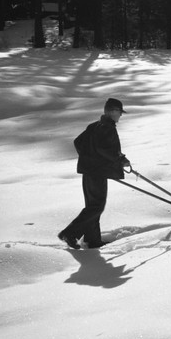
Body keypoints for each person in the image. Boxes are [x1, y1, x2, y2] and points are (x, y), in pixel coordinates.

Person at [58, 98, 131, 249]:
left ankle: (92, 240)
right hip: (97, 173)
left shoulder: (95, 126)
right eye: (119, 112)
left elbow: (78, 142)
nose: (120, 116)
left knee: (93, 206)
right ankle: (70, 233)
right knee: (96, 206)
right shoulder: (107, 128)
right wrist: (120, 160)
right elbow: (104, 150)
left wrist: (88, 159)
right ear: (111, 111)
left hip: (90, 172)